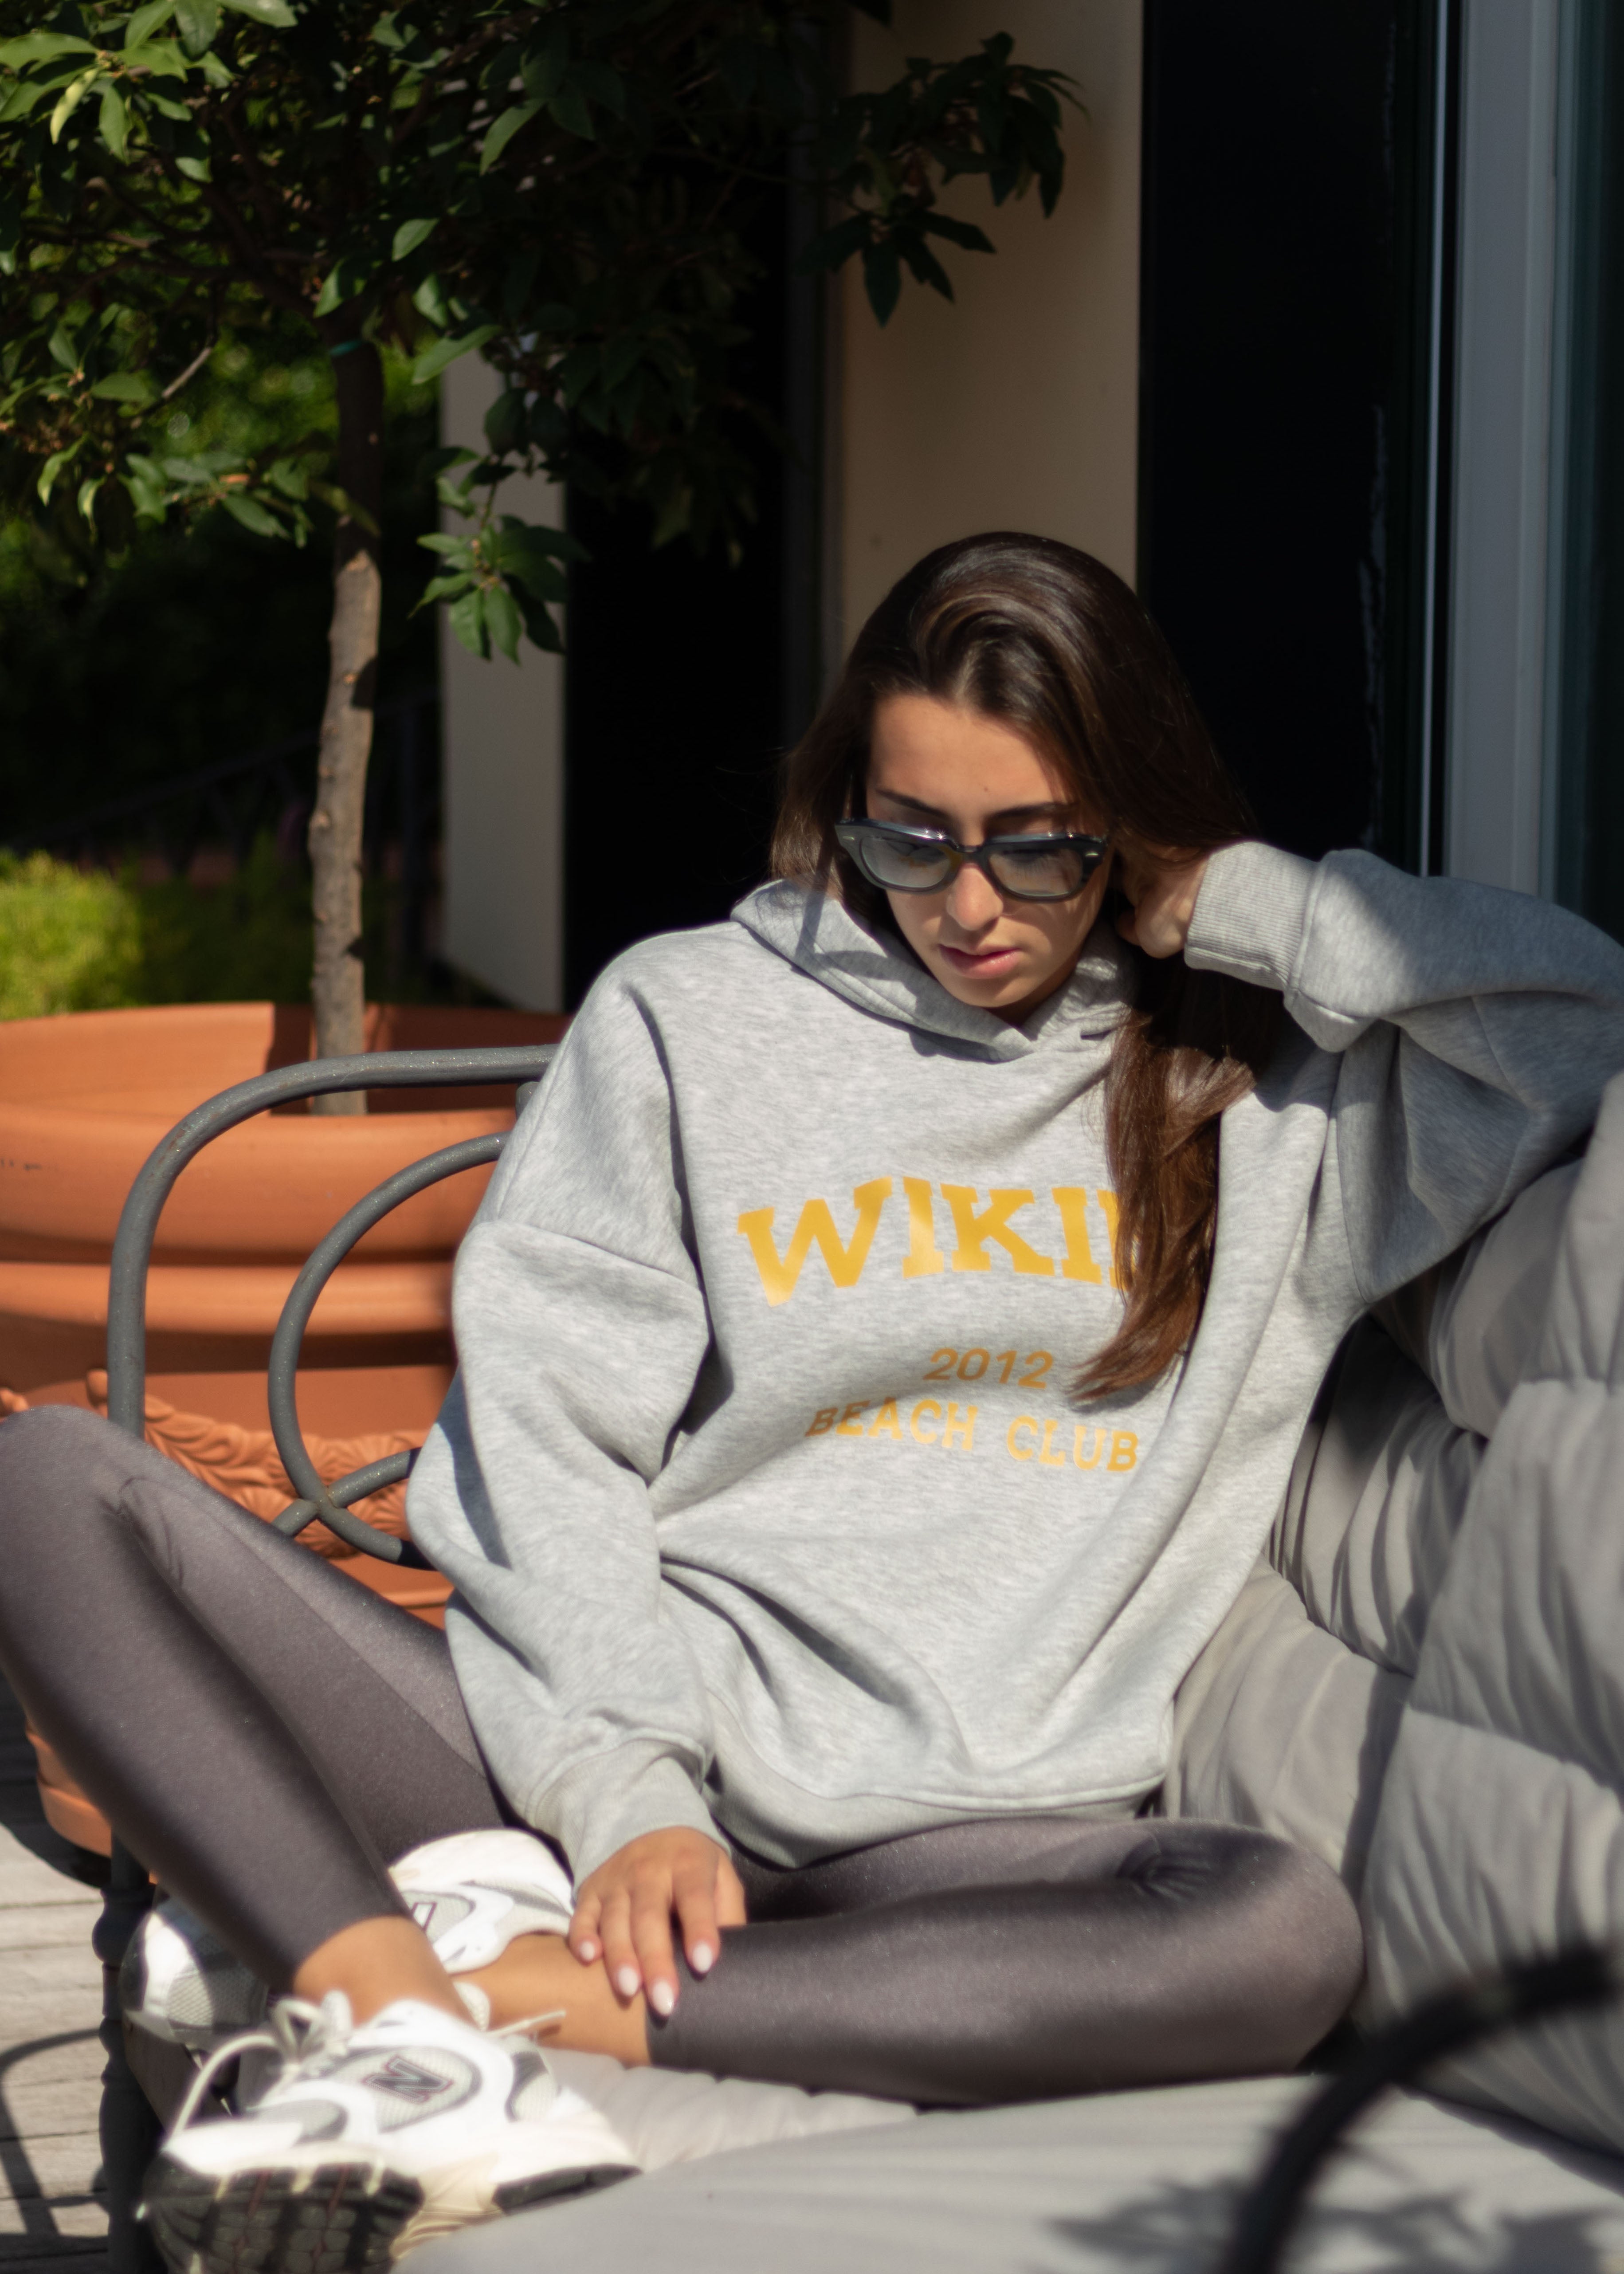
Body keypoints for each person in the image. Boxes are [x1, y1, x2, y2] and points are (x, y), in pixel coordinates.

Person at [3, 532, 1623, 2274]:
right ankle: (402, 2032)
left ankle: (490, 1998)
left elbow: (1579, 1023)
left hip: (975, 1850)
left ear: (1133, 829)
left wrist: (1243, 904)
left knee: (1279, 1931)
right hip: (603, 1765)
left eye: (1040, 845)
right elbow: (547, 1439)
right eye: (910, 837)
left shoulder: (1265, 1105)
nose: (969, 905)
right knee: (52, 1483)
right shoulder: (688, 1017)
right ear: (847, 801)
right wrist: (631, 1791)